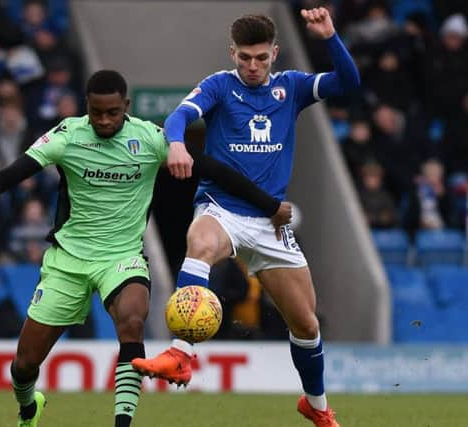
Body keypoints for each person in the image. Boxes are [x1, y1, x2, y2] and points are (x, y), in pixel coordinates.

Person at [0, 70, 290, 427]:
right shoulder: (66, 136)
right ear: (87, 106)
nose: (104, 120)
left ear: (126, 108)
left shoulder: (150, 139)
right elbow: (6, 177)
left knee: (133, 322)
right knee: (24, 365)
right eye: (97, 112)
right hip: (67, 262)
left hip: (122, 258)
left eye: (113, 113)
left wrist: (270, 205)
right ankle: (29, 407)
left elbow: (215, 170)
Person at [132, 9, 360, 427]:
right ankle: (181, 354)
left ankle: (316, 403)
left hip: (270, 223)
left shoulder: (291, 87)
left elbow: (348, 82)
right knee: (200, 243)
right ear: (232, 53)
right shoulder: (220, 86)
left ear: (275, 53)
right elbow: (179, 116)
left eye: (260, 58)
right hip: (222, 209)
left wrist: (329, 37)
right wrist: (178, 144)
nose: (252, 67)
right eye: (244, 58)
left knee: (306, 325)